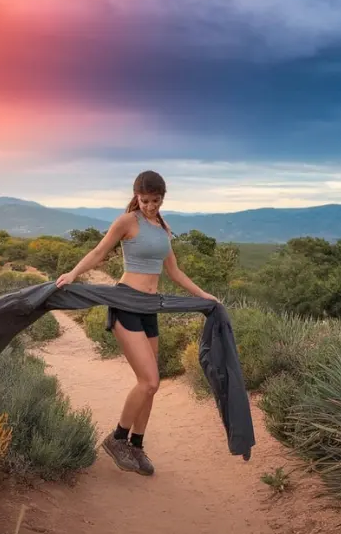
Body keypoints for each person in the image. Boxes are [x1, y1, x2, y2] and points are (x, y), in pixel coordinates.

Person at [54, 170, 218, 476]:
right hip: (126, 301)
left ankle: (137, 446)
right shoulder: (127, 221)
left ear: (162, 199)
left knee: (151, 386)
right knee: (150, 381)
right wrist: (74, 274)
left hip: (149, 307)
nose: (150, 206)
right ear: (136, 196)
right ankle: (117, 439)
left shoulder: (163, 228)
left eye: (155, 201)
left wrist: (204, 295)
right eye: (145, 201)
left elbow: (175, 273)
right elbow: (99, 252)